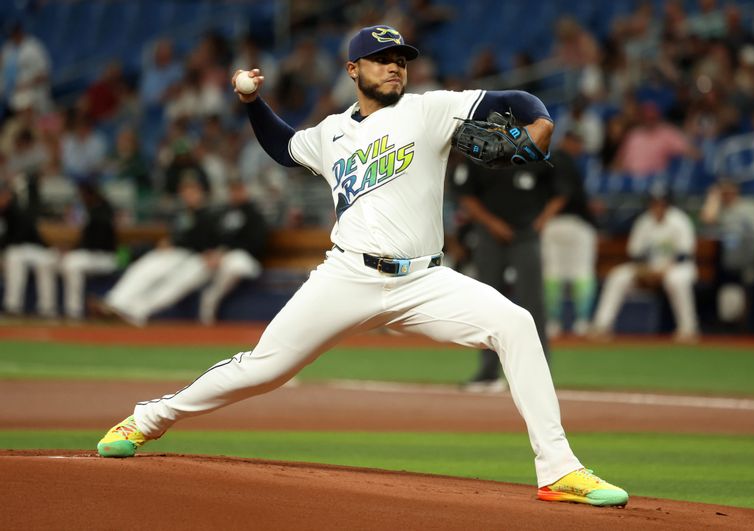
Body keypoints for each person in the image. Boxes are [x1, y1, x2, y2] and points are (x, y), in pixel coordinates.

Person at [97, 25, 628, 507]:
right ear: (353, 70)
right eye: (381, 58)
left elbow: (510, 97)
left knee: (515, 323)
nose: (395, 65)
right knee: (264, 369)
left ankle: (558, 469)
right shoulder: (330, 133)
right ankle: (148, 418)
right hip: (347, 277)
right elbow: (284, 147)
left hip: (423, 280)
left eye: (400, 58)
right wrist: (252, 101)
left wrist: (541, 121)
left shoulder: (430, 109)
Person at [452, 154, 560, 390]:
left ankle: (539, 374)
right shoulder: (482, 153)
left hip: (526, 235)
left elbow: (561, 191)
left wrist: (541, 221)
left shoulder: (535, 152)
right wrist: (492, 224)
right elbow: (465, 195)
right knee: (488, 305)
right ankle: (488, 371)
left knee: (533, 304)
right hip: (489, 236)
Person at [98, 176, 217, 326]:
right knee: (144, 268)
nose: (188, 195)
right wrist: (170, 241)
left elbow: (213, 239)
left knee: (173, 286)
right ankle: (114, 303)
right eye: (185, 191)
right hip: (176, 253)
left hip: (198, 258)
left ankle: (136, 311)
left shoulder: (211, 213)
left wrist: (216, 252)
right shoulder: (182, 213)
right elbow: (179, 235)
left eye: (192, 191)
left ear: (201, 192)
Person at [591, 186, 700, 342]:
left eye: (661, 202)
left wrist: (664, 270)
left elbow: (684, 254)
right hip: (649, 269)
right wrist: (645, 271)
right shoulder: (644, 221)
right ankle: (601, 326)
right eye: (654, 202)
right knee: (618, 276)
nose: (657, 206)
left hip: (677, 267)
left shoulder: (680, 220)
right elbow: (635, 253)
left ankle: (688, 329)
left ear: (668, 204)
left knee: (675, 281)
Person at [540, 128, 598, 337]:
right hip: (572, 224)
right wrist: (542, 220)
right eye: (578, 143)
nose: (581, 149)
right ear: (569, 141)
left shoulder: (548, 159)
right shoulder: (564, 160)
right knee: (581, 273)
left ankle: (553, 324)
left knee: (552, 274)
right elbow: (563, 195)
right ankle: (581, 322)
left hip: (554, 224)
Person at [199, 180, 268, 325]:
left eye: (239, 190)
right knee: (198, 266)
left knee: (236, 265)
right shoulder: (223, 213)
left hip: (247, 259)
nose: (235, 194)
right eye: (232, 191)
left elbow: (256, 244)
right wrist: (213, 252)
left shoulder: (254, 214)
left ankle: (211, 298)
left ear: (245, 191)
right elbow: (213, 236)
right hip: (221, 257)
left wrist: (225, 251)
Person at [700, 179, 754, 326]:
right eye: (723, 193)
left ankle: (746, 326)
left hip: (750, 255)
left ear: (736, 191)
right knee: (721, 283)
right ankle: (728, 325)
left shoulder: (750, 206)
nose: (727, 196)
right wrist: (713, 197)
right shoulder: (723, 210)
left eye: (729, 191)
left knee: (748, 287)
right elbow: (707, 219)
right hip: (728, 257)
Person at [59, 182, 118, 320]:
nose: (81, 198)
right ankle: (72, 310)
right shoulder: (93, 210)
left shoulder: (102, 212)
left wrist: (73, 249)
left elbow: (94, 241)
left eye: (83, 195)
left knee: (71, 263)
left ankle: (74, 311)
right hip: (92, 256)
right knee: (67, 263)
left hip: (104, 257)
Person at [0, 180, 58, 317]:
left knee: (43, 263)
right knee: (13, 258)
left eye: (3, 195)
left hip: (31, 248)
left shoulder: (16, 210)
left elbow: (20, 236)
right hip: (16, 250)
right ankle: (12, 306)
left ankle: (47, 309)